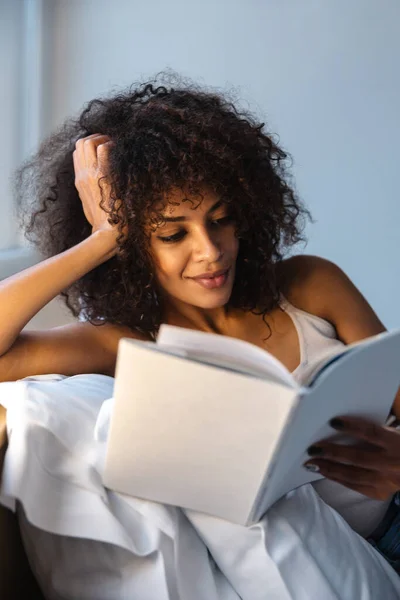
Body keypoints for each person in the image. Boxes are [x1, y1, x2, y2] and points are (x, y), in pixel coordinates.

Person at [0, 74, 400, 598]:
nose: (211, 251)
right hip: (285, 569)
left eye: (222, 219)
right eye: (172, 234)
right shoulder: (119, 343)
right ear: (133, 245)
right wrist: (103, 240)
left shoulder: (310, 285)